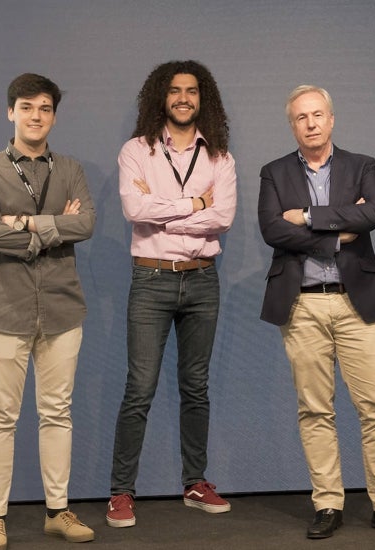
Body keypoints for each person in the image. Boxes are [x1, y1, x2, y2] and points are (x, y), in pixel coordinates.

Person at [257, 85, 375, 540]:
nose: (310, 123)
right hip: (302, 303)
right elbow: (272, 228)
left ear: (331, 119)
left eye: (317, 115)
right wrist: (335, 232)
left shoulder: (361, 165)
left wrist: (306, 216)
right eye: (300, 117)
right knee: (315, 410)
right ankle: (327, 503)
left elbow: (374, 215)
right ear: (292, 125)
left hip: (356, 301)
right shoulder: (272, 172)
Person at [106, 60, 237, 528]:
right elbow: (133, 208)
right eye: (176, 90)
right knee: (139, 389)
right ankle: (121, 492)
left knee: (195, 388)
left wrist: (168, 211)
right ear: (161, 96)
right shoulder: (136, 151)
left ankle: (195, 482)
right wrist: (195, 203)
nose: (184, 98)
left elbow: (222, 219)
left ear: (204, 99)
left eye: (193, 91)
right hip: (152, 278)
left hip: (203, 279)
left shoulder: (220, 157)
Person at [0, 73, 96, 550]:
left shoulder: (70, 168)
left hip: (62, 308)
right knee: (0, 415)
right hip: (4, 308)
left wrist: (22, 222)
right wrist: (54, 225)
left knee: (57, 413)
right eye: (26, 107)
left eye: (44, 108)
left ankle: (57, 512)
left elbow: (85, 223)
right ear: (11, 112)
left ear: (53, 116)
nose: (35, 116)